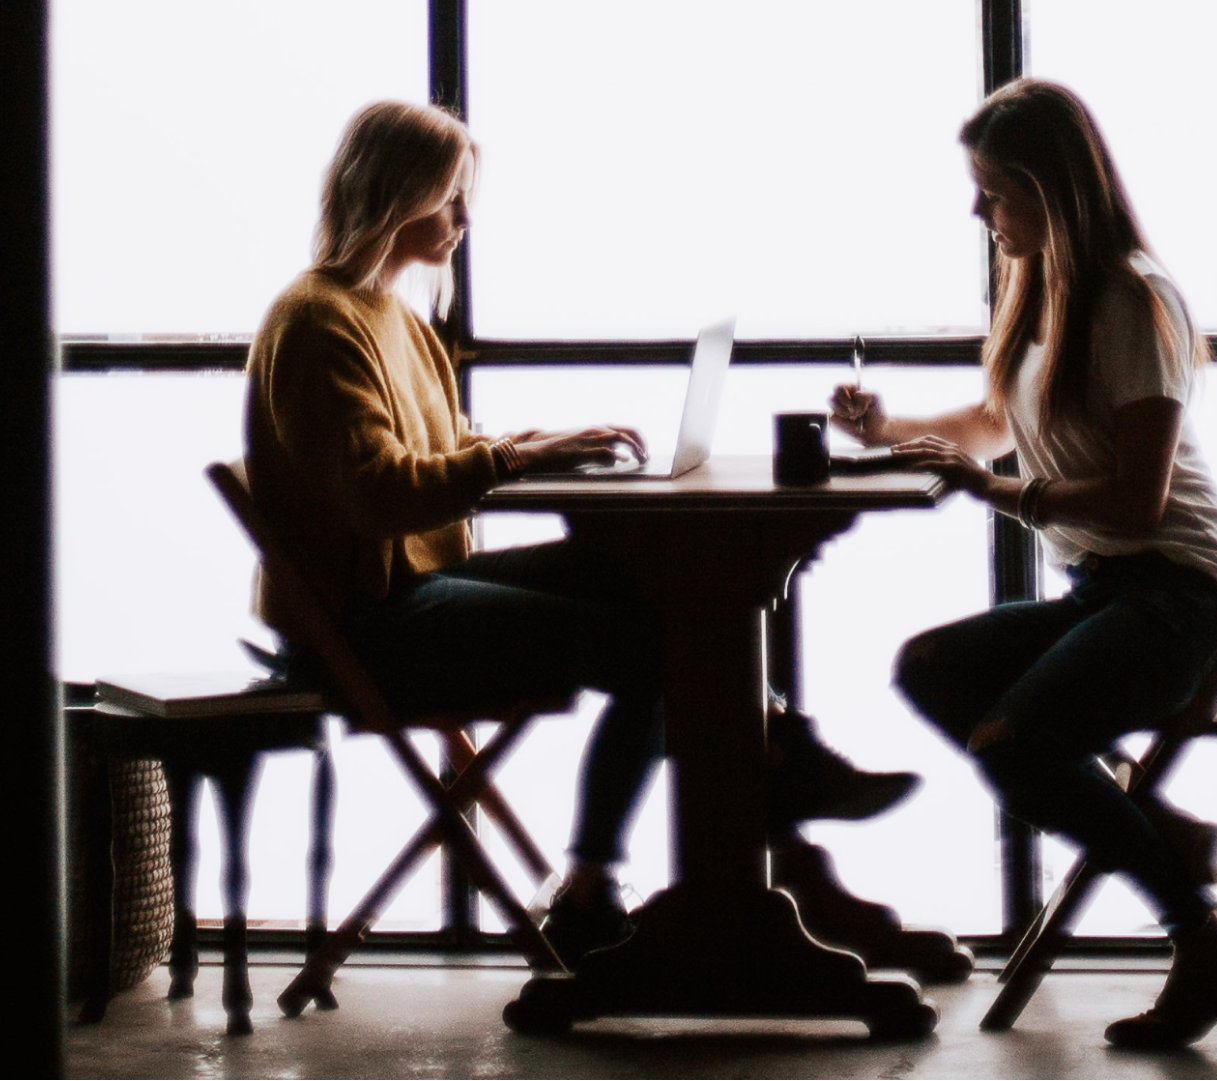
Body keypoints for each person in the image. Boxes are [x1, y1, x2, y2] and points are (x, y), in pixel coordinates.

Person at [244, 101, 912, 964]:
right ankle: (723, 814)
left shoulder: (393, 317)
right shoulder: (317, 321)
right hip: (363, 623)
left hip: (405, 593)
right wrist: (517, 462)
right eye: (450, 198)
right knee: (660, 641)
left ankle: (769, 784)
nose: (464, 220)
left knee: (650, 581)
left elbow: (437, 459)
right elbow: (380, 494)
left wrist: (530, 447)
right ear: (394, 194)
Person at [829, 80, 1217, 1049]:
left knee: (1015, 743)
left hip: (1179, 594)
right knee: (930, 667)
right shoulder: (1045, 289)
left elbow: (1137, 500)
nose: (977, 211)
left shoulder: (1131, 297)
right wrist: (889, 432)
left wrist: (985, 490)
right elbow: (998, 426)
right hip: (1107, 587)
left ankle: (1202, 934)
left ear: (1052, 189)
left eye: (993, 191)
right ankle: (1175, 846)